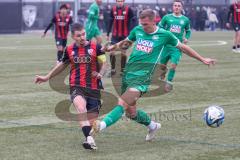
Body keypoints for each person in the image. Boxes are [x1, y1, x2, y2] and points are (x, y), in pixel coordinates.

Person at [90, 9, 216, 146]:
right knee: (131, 113)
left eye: (146, 24)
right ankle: (152, 126)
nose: (143, 27)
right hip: (128, 74)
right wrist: (111, 47)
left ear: (153, 21)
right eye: (141, 23)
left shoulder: (164, 35)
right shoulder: (138, 30)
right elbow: (126, 43)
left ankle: (101, 125)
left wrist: (202, 59)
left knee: (122, 103)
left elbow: (183, 47)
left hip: (143, 77)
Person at [36, 23, 107, 150]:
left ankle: (89, 137)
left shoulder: (96, 47)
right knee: (81, 108)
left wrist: (100, 74)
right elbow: (62, 65)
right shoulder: (69, 50)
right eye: (78, 35)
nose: (82, 37)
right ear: (73, 37)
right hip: (76, 85)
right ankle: (89, 140)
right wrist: (46, 77)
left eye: (83, 34)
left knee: (92, 123)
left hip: (94, 88)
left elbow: (104, 63)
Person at [158, 0, 191, 92]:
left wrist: (186, 38)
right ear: (173, 7)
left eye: (179, 6)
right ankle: (162, 73)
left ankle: (169, 82)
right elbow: (159, 27)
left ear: (181, 8)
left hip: (177, 47)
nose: (177, 7)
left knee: (173, 65)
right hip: (166, 46)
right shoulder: (167, 17)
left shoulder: (185, 19)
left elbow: (188, 31)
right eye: (175, 5)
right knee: (162, 66)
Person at [106, 0, 135, 76]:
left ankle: (122, 71)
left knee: (123, 53)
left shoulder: (129, 10)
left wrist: (131, 31)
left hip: (124, 36)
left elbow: (133, 19)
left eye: (121, 1)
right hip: (115, 36)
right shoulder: (113, 9)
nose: (120, 2)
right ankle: (113, 70)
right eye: (118, 1)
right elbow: (110, 21)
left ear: (123, 1)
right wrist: (108, 33)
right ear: (116, 1)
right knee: (112, 52)